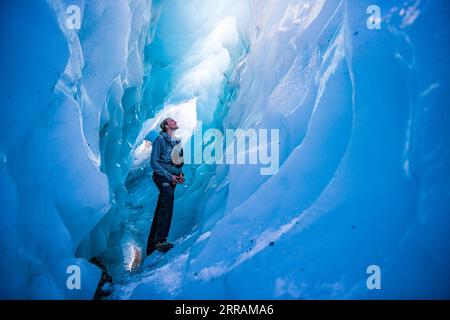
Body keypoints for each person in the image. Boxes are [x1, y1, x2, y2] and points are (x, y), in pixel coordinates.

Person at [146, 117, 184, 255]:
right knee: (167, 196)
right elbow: (154, 162)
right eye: (172, 121)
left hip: (173, 178)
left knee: (163, 205)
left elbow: (178, 162)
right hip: (161, 176)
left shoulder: (177, 142)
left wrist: (180, 175)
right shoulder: (160, 140)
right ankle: (160, 240)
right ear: (166, 126)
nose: (175, 122)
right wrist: (170, 176)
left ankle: (151, 247)